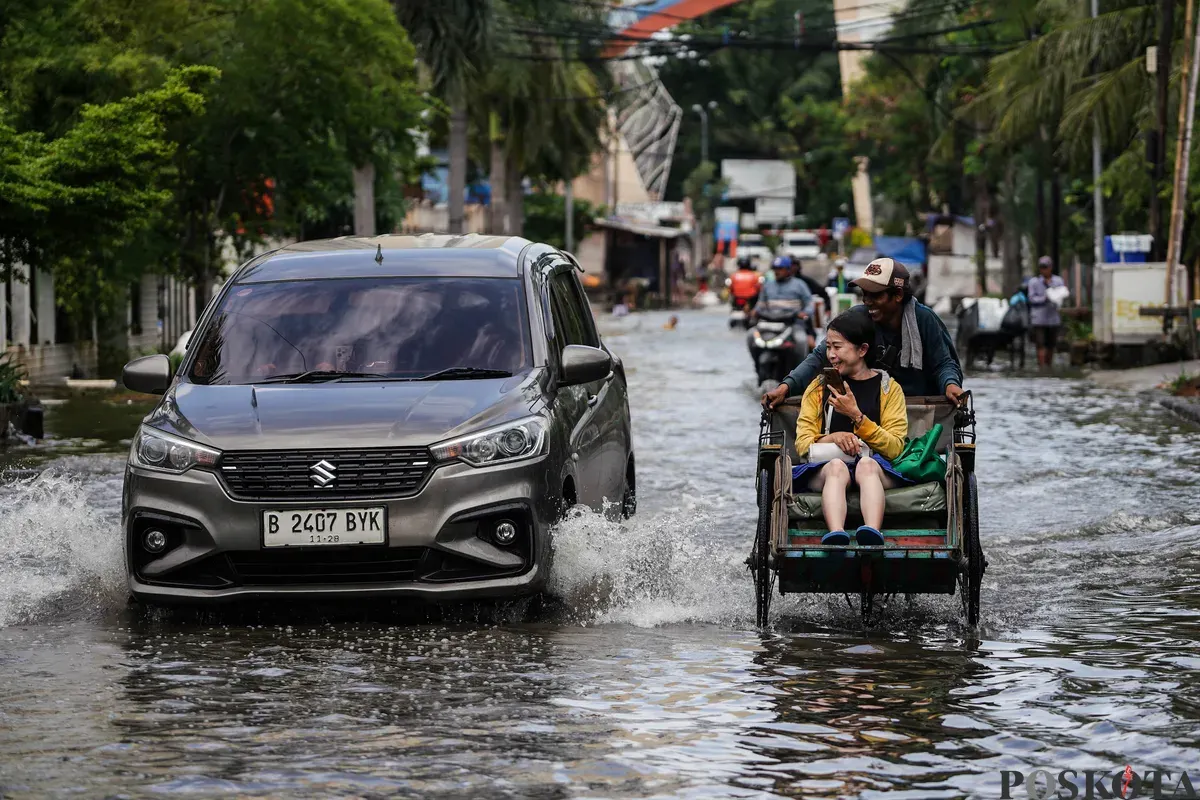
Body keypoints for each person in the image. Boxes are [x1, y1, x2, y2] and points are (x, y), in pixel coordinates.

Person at [763, 257, 964, 408]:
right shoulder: (858, 317)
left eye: (875, 295)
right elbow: (819, 357)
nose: (867, 301)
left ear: (897, 295)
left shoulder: (924, 319)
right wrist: (786, 387)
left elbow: (944, 363)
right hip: (868, 406)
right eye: (864, 294)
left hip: (917, 407)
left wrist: (950, 385)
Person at [792, 311, 911, 546]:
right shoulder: (819, 388)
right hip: (827, 469)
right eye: (828, 347)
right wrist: (833, 438)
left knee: (866, 465)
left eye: (837, 347)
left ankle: (872, 532)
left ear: (862, 350)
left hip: (875, 468)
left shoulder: (889, 388)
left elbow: (896, 447)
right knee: (837, 467)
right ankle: (836, 533)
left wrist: (856, 416)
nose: (831, 355)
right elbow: (803, 443)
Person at [1026, 255, 1066, 369]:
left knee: (1051, 345)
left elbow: (1062, 294)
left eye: (1046, 267)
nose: (1044, 270)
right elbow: (1031, 298)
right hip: (1039, 319)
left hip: (1053, 318)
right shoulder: (1033, 282)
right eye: (1042, 267)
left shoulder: (1058, 281)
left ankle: (1049, 365)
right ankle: (1042, 367)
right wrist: (1044, 298)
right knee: (1040, 344)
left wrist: (1056, 297)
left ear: (1050, 267)